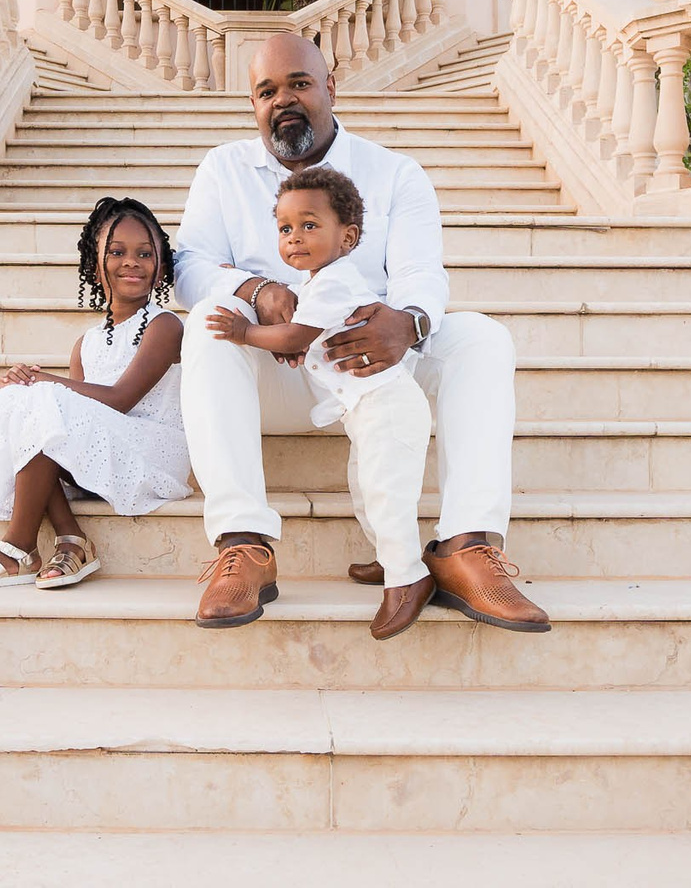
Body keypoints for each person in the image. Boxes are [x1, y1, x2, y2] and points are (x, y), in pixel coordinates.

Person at [175, 31, 548, 635]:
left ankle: (465, 547)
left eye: (298, 83)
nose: (283, 100)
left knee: (482, 339)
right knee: (206, 327)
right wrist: (257, 291)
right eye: (266, 91)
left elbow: (421, 272)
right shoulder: (223, 169)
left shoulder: (393, 172)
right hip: (279, 370)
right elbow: (189, 266)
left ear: (330, 86)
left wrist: (408, 322)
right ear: (253, 104)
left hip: (370, 365)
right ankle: (244, 546)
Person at [204, 168, 435, 639]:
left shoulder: (335, 281)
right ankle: (388, 555)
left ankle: (408, 577)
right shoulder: (316, 284)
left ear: (347, 237)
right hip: (365, 409)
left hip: (388, 407)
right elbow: (306, 340)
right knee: (364, 488)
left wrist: (245, 332)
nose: (294, 237)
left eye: (309, 225)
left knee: (386, 490)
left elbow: (295, 335)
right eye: (285, 228)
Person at [0, 197, 187, 590]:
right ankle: (71, 538)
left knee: (40, 398)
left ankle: (19, 545)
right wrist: (27, 388)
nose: (132, 262)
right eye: (117, 252)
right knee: (15, 398)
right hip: (100, 458)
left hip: (152, 455)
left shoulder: (165, 326)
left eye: (145, 254)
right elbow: (66, 425)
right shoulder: (85, 343)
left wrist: (43, 382)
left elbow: (120, 399)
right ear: (94, 265)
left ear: (161, 269)